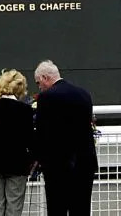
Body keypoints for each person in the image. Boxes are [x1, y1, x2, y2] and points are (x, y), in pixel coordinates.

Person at [32, 60, 97, 216]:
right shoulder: (84, 94)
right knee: (81, 209)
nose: (39, 87)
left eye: (38, 82)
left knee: (57, 209)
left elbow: (42, 133)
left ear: (45, 77)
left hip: (57, 167)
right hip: (84, 164)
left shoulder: (46, 98)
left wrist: (36, 158)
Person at [0, 69, 35, 216]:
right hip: (17, 166)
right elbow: (31, 140)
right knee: (14, 209)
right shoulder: (25, 110)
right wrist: (31, 161)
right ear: (20, 88)